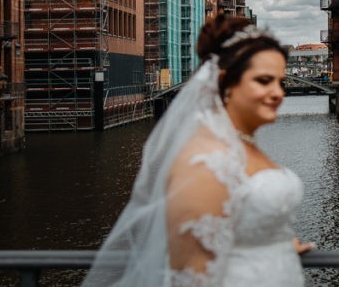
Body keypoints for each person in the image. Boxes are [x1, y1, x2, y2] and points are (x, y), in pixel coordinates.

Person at [85, 16, 313, 286]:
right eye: (264, 81)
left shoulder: (244, 147)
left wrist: (273, 250)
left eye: (281, 82)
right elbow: (191, 275)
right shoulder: (204, 163)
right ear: (227, 82)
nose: (278, 93)